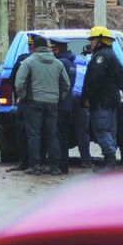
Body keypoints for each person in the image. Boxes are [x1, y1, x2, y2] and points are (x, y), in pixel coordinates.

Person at [14, 36, 70, 176]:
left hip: (33, 102)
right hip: (52, 103)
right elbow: (66, 84)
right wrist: (59, 97)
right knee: (52, 135)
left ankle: (35, 166)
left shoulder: (29, 61)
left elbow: (19, 83)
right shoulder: (58, 63)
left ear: (34, 47)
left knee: (34, 135)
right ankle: (54, 167)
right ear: (47, 47)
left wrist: (23, 97)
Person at [82, 26, 123, 172]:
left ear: (100, 40)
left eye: (93, 39)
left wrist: (87, 96)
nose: (91, 42)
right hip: (111, 99)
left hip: (102, 100)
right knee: (110, 130)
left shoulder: (100, 57)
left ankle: (110, 161)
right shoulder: (112, 55)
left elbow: (93, 80)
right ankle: (109, 160)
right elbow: (121, 75)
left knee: (101, 129)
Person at [7, 33, 37, 172]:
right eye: (29, 45)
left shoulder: (43, 60)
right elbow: (13, 79)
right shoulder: (21, 59)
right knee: (22, 132)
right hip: (24, 102)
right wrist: (19, 95)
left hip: (35, 101)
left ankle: (36, 162)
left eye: (32, 45)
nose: (30, 47)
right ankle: (24, 161)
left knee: (35, 133)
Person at [51, 37, 77, 174]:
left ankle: (59, 164)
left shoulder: (60, 63)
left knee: (57, 136)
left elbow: (57, 83)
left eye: (53, 48)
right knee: (64, 135)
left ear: (57, 49)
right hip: (67, 104)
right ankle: (64, 164)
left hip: (59, 104)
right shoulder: (72, 63)